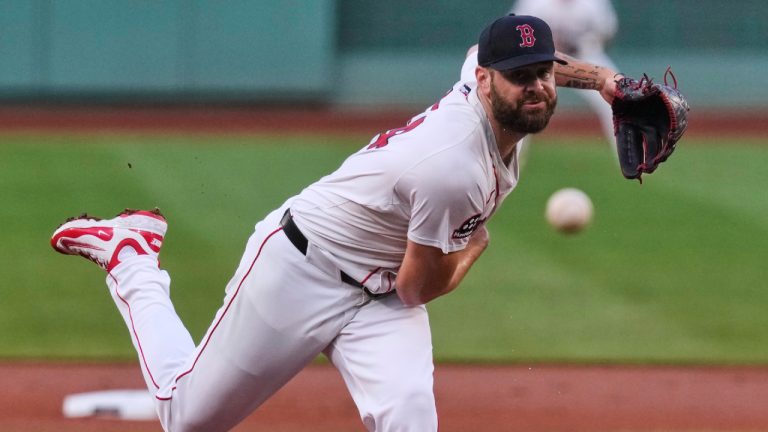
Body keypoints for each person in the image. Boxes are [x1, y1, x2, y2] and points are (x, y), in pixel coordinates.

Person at [51, 14, 621, 432]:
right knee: (186, 419)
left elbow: (499, 52)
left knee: (410, 419)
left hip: (378, 297)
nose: (538, 86)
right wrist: (472, 249)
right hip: (304, 268)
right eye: (520, 76)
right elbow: (417, 286)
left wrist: (604, 83)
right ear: (486, 82)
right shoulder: (452, 164)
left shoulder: (484, 77)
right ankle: (132, 258)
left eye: (542, 73)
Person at [511, 0, 620, 144]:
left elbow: (607, 31)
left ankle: (630, 159)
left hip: (584, 57)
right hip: (541, 59)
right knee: (519, 104)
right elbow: (513, 28)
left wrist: (582, 42)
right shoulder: (534, 3)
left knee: (617, 97)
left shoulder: (593, 3)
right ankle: (507, 161)